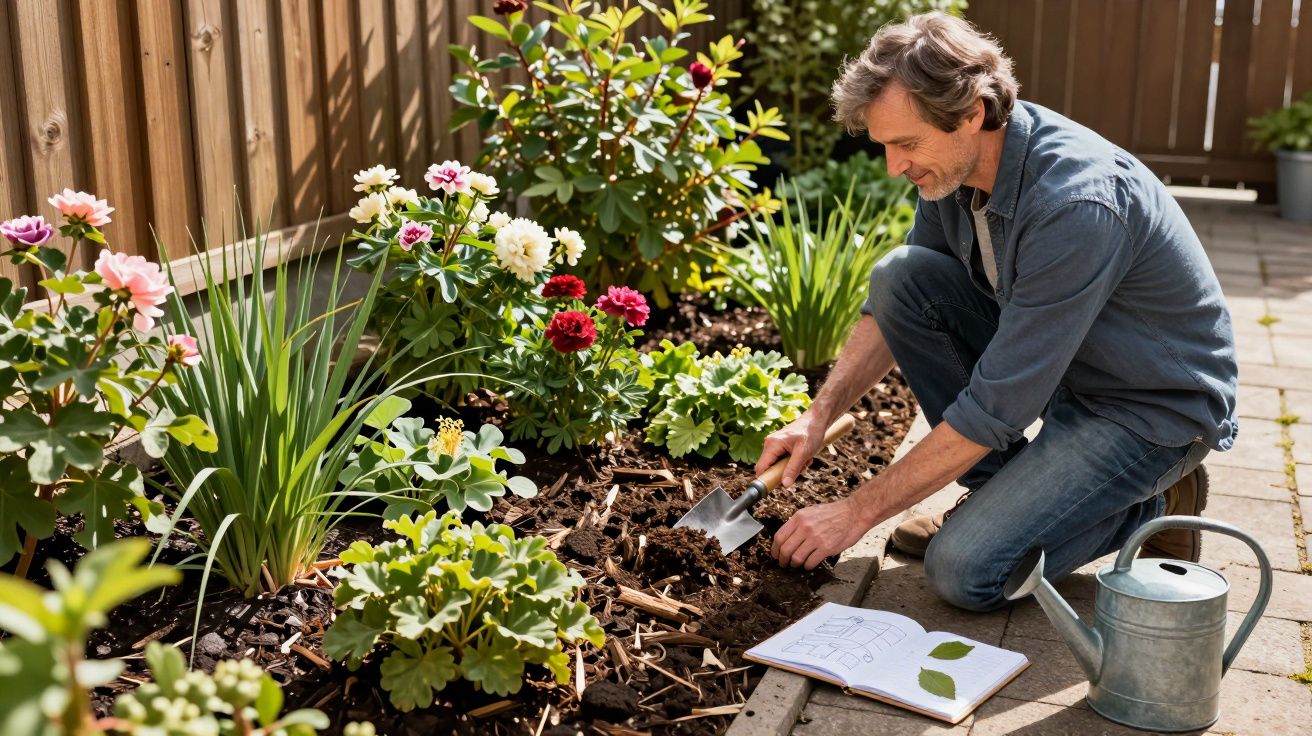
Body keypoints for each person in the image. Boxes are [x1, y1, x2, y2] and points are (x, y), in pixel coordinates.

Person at [756, 12, 1237, 612]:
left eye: (906, 144)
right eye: (886, 146)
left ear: (972, 114)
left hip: (1148, 406)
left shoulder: (1075, 204)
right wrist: (817, 415)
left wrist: (856, 512)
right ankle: (1002, 501)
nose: (894, 166)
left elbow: (996, 407)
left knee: (966, 573)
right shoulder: (956, 172)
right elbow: (898, 301)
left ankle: (1156, 502)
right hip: (1070, 371)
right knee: (900, 277)